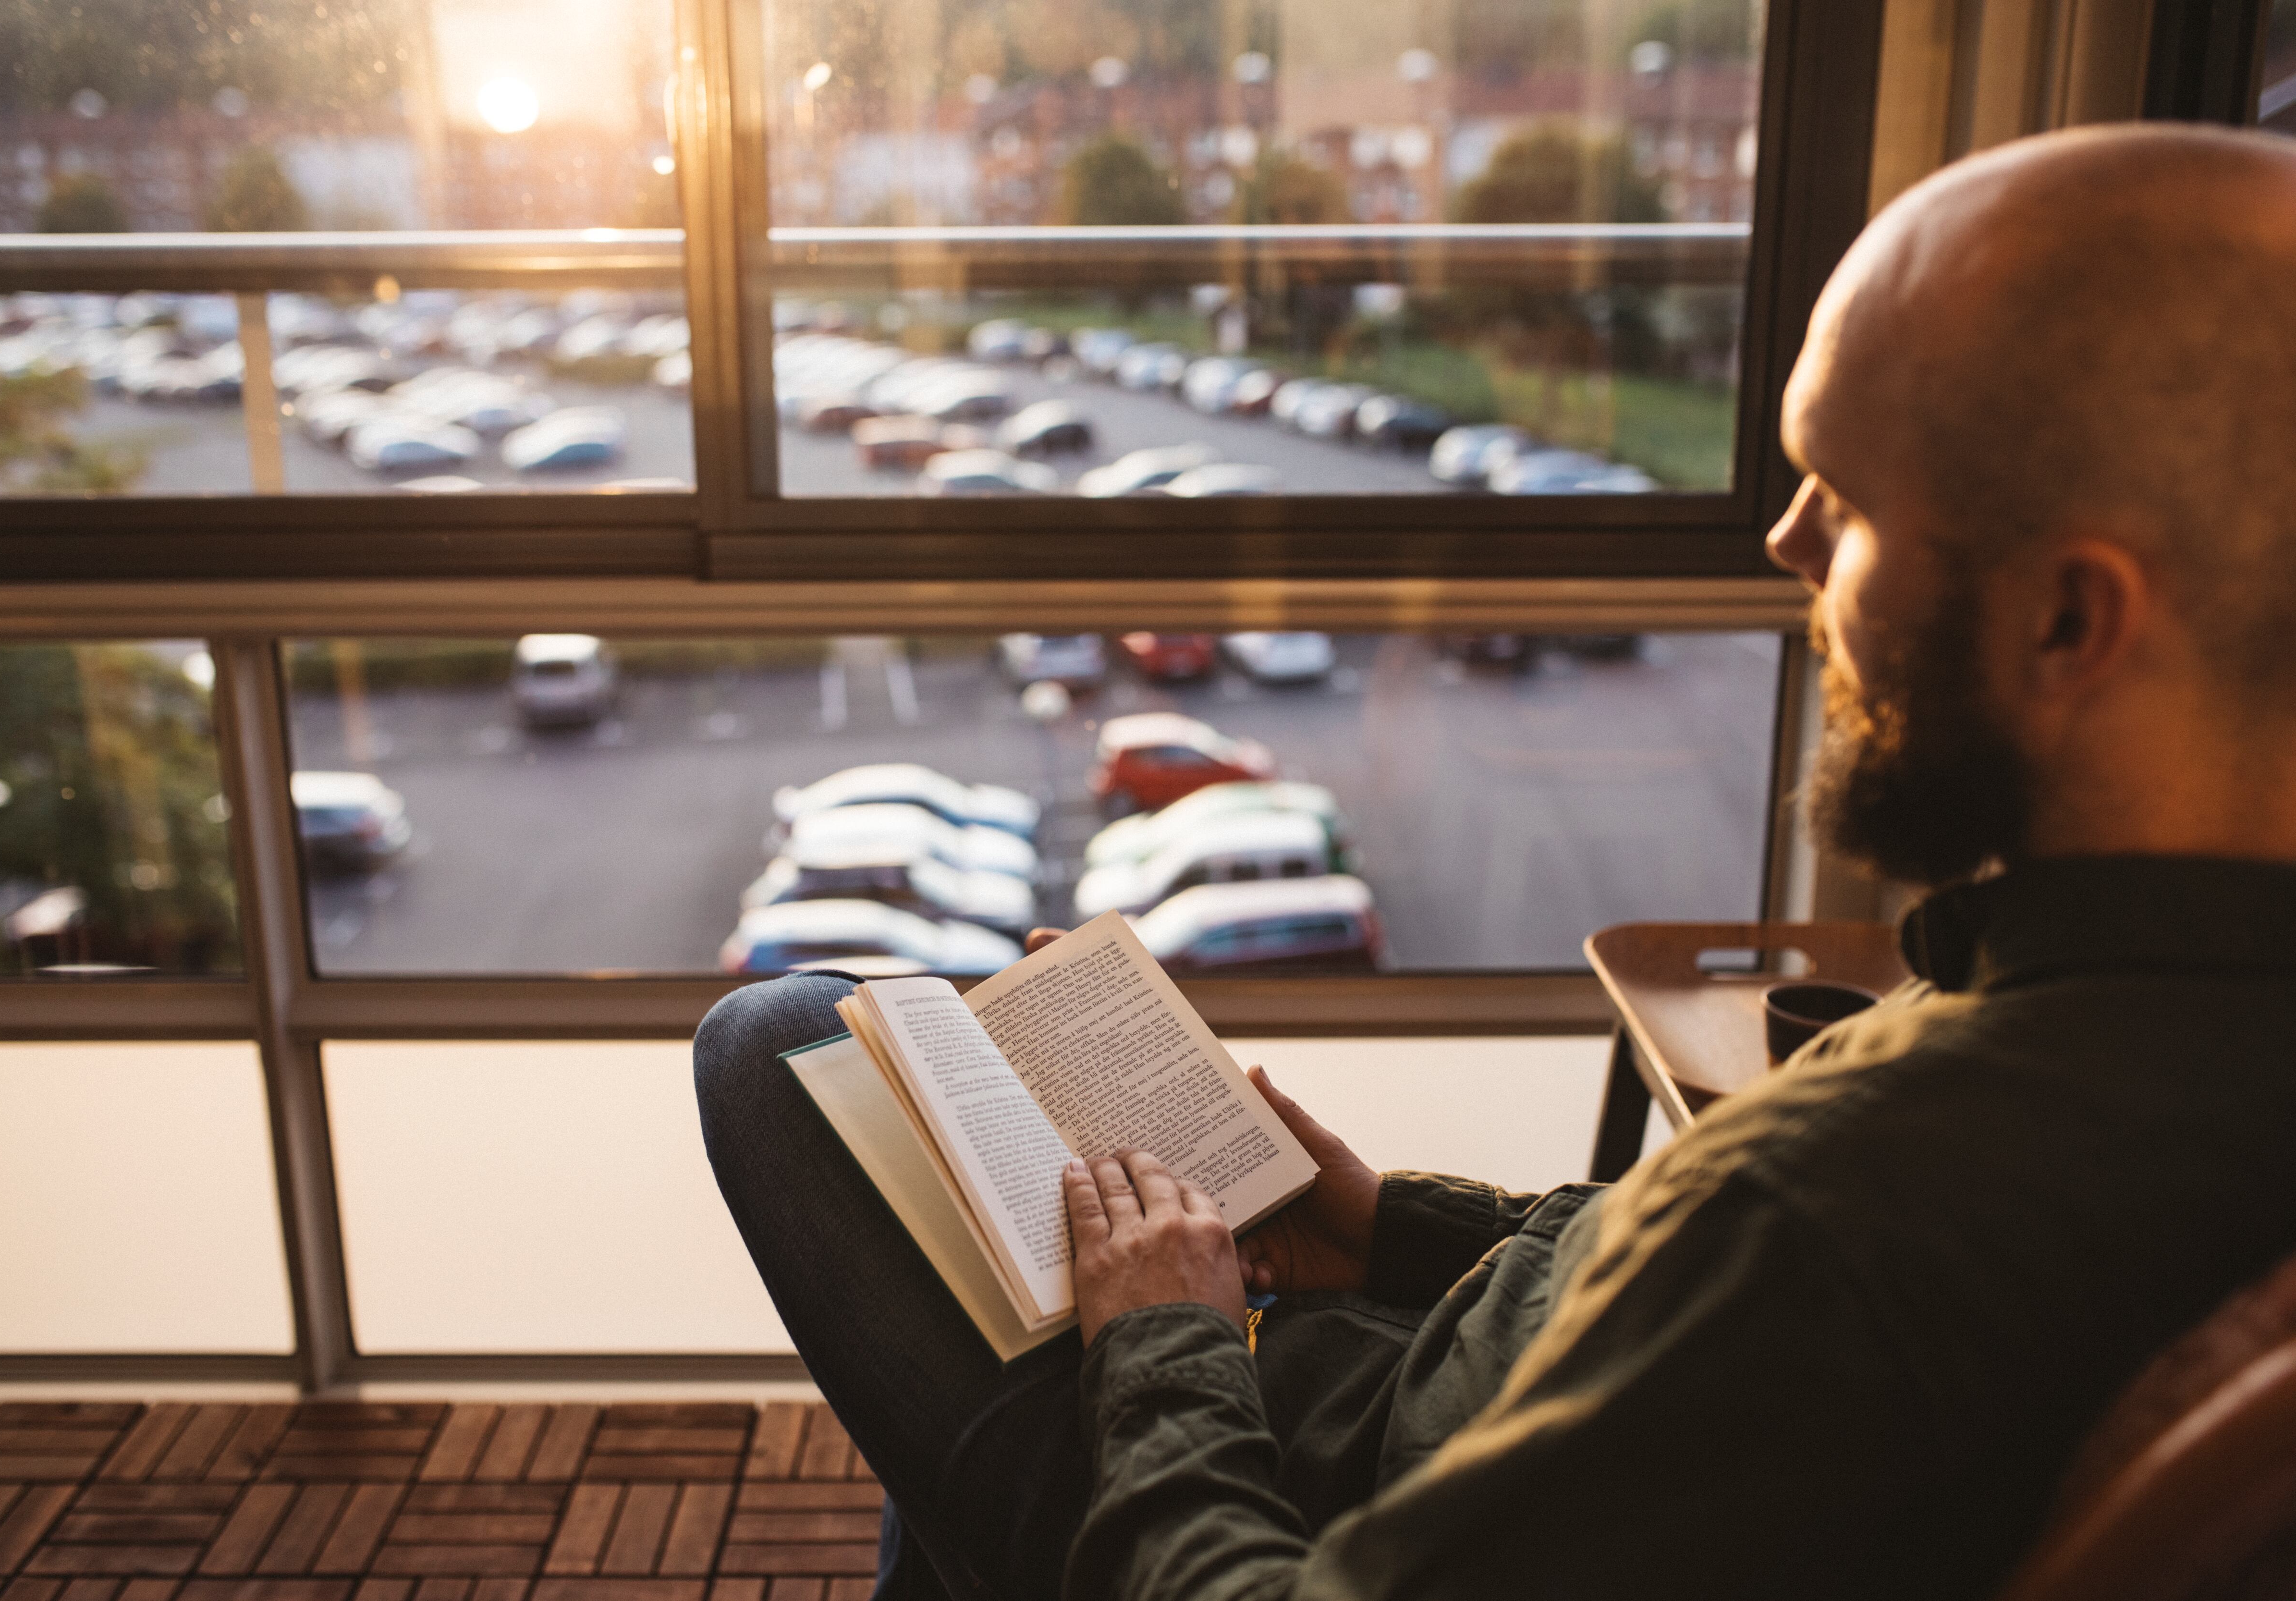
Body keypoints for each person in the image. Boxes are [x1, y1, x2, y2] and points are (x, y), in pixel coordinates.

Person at [694, 122, 2296, 1601]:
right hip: (1433, 1370)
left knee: (780, 1048)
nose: (1786, 543)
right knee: (973, 1282)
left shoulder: (1821, 1233)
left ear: (2069, 622)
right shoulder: (2139, 1016)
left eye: (1848, 498)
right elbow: (1666, 1309)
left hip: (1297, 1495)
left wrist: (1166, 1347)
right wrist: (1387, 1219)